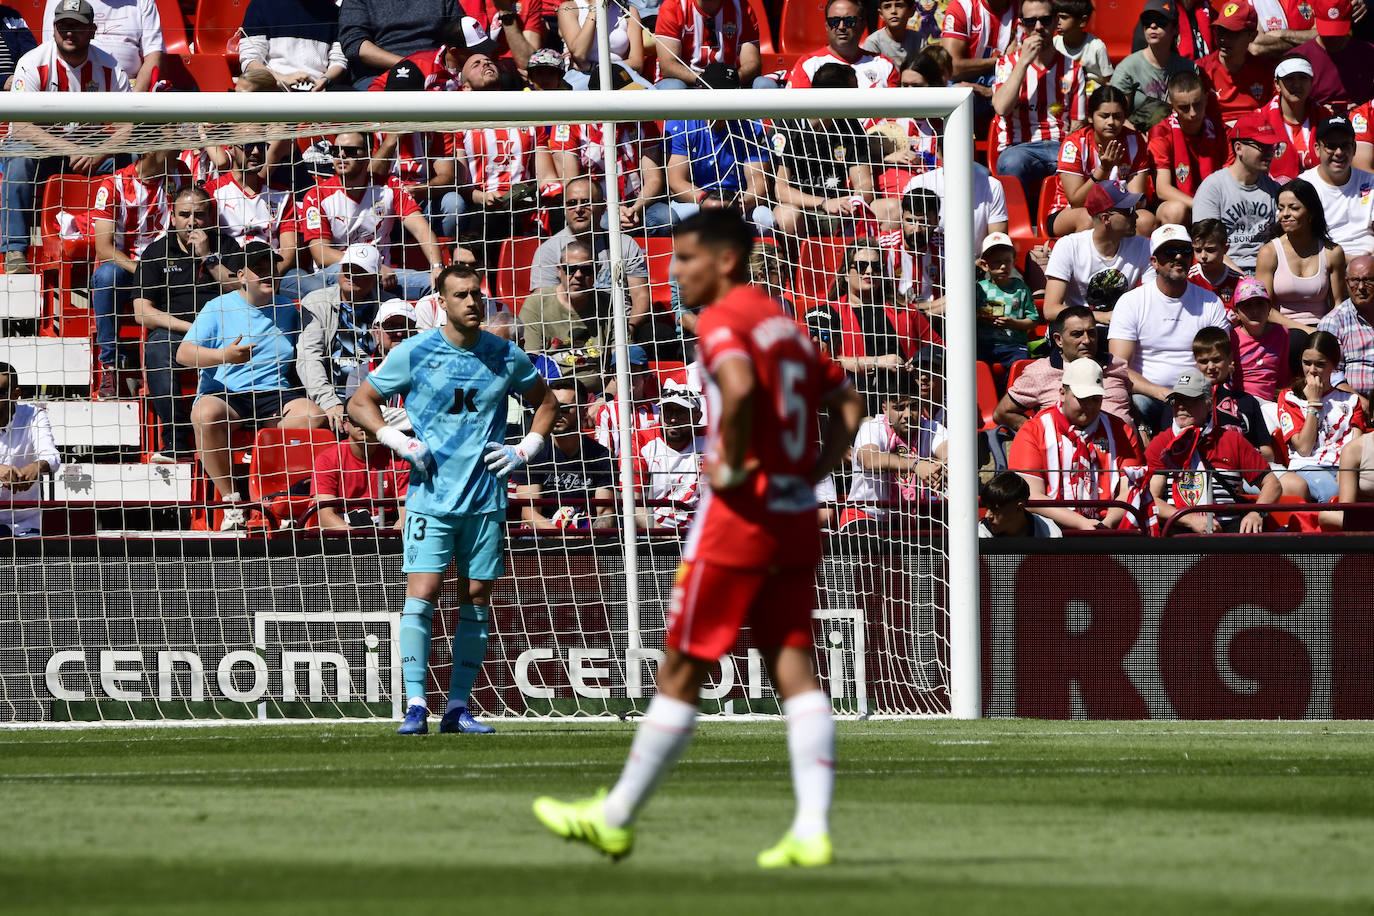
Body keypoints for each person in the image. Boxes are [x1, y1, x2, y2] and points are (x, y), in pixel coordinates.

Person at [532, 208, 865, 869]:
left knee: (683, 664)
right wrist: (812, 472)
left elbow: (736, 391)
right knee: (792, 663)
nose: (674, 271)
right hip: (796, 513)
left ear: (726, 261)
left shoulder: (724, 320)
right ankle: (810, 827)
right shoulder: (784, 326)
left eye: (686, 259)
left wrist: (737, 464)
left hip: (740, 517)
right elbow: (849, 404)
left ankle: (616, 816)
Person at [348, 261, 557, 734]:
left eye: (476, 294)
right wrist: (397, 441)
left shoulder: (504, 355)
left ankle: (458, 707)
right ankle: (417, 703)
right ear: (441, 303)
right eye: (461, 295)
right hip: (430, 498)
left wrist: (526, 448)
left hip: (486, 499)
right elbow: (359, 402)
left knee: (477, 598)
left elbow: (548, 402)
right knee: (422, 594)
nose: (471, 302)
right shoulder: (415, 352)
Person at [178, 242, 327, 530]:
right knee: (204, 415)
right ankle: (232, 502)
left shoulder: (289, 309)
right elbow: (183, 354)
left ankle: (275, 492)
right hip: (227, 393)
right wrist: (224, 356)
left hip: (274, 394)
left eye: (270, 268)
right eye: (258, 270)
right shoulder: (217, 307)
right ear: (241, 276)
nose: (268, 274)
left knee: (313, 416)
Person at [2, 0, 131, 276]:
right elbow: (22, 127)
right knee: (18, 156)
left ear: (93, 30)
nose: (69, 33)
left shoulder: (109, 67)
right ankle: (15, 250)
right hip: (44, 153)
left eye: (78, 26)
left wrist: (102, 151)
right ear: (54, 28)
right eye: (64, 26)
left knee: (132, 158)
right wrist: (70, 148)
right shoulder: (33, 63)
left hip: (92, 155)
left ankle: (134, 241)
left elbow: (128, 126)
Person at [132, 186, 238, 463]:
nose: (192, 221)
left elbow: (242, 290)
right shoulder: (155, 253)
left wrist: (208, 257)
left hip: (223, 330)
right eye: (185, 214)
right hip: (179, 332)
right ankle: (175, 441)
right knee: (157, 348)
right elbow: (142, 313)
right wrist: (188, 328)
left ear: (210, 217)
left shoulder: (226, 247)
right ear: (173, 217)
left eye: (199, 215)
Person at [288, 131, 444, 302]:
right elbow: (321, 254)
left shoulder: (389, 186)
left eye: (351, 151)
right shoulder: (317, 195)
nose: (341, 155)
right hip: (339, 274)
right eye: (335, 150)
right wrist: (371, 267)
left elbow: (422, 229)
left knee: (437, 285)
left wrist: (437, 267)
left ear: (368, 154)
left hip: (382, 276)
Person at [1108, 223, 1231, 432]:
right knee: (1137, 403)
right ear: (1154, 262)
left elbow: (1221, 361)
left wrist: (1188, 395)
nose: (1178, 257)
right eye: (1170, 251)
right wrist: (1163, 393)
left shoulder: (1210, 302)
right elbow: (1120, 368)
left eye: (1184, 250)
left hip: (1199, 396)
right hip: (1150, 398)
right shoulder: (1132, 302)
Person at [88, 148, 190, 397]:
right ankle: (111, 366)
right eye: (171, 139)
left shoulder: (180, 173)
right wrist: (143, 271)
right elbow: (103, 249)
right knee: (106, 277)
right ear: (152, 148)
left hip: (167, 265)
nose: (178, 146)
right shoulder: (112, 184)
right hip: (127, 268)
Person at [1007, 357, 1151, 531]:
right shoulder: (1034, 430)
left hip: (1110, 528)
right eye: (1082, 398)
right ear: (1062, 393)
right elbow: (1030, 496)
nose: (1089, 406)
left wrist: (1106, 524)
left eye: (1096, 399)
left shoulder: (1121, 430)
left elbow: (1131, 489)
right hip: (1049, 531)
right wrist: (1080, 523)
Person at [1146, 368, 1281, 533]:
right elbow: (1151, 498)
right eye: (1176, 400)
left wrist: (1256, 513)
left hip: (1228, 531)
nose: (1180, 406)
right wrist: (1189, 519)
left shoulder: (1232, 440)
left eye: (1189, 400)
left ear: (1208, 404)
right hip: (1179, 529)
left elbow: (1272, 484)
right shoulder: (1161, 443)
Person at [527, 178, 653, 338]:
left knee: (659, 333)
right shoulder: (549, 251)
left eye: (586, 202)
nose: (578, 209)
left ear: (602, 206)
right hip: (570, 330)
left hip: (622, 324)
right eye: (572, 203)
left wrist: (628, 330)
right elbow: (544, 305)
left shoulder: (624, 244)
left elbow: (641, 296)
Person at [826, 237, 940, 410]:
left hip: (908, 405)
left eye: (876, 266)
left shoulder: (904, 310)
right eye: (862, 266)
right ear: (846, 274)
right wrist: (876, 361)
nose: (870, 271)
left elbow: (938, 347)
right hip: (857, 405)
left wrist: (918, 363)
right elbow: (824, 362)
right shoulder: (830, 312)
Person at [770, 63, 881, 239]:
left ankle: (865, 263)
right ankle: (791, 267)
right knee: (786, 215)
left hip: (841, 210)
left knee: (889, 209)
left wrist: (852, 203)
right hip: (802, 210)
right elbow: (781, 190)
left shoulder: (851, 127)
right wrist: (823, 203)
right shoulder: (787, 125)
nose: (858, 97)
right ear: (834, 95)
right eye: (853, 92)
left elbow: (865, 186)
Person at [990, 0, 1087, 201]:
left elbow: (1078, 125)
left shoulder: (1072, 68)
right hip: (1017, 147)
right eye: (1030, 21)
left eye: (1045, 20)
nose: (1038, 27)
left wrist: (1071, 154)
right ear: (1021, 25)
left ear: (1055, 23)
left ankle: (1061, 221)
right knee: (1011, 163)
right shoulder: (1007, 64)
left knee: (1078, 162)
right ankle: (1016, 227)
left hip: (1058, 145)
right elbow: (1001, 107)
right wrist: (1024, 62)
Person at [663, 64, 774, 231]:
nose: (725, 100)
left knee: (765, 220)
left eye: (729, 94)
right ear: (701, 91)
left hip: (738, 202)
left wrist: (739, 204)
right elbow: (676, 183)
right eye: (719, 93)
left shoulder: (751, 126)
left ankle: (757, 257)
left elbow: (759, 183)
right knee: (683, 218)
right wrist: (708, 202)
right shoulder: (681, 123)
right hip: (694, 200)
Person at [296, 243, 386, 435]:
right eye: (347, 268)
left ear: (375, 277)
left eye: (360, 270)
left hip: (377, 402)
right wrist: (329, 402)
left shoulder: (388, 308)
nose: (351, 275)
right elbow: (308, 358)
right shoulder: (316, 303)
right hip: (328, 402)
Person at [995, 304, 1135, 427]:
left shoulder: (1114, 364)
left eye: (1091, 333)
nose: (1086, 340)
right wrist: (1039, 434)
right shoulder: (1040, 372)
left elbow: (1128, 403)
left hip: (1124, 450)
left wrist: (1141, 427)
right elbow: (1002, 413)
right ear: (1058, 340)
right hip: (1069, 454)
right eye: (1077, 334)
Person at [845, 371, 947, 528]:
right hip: (866, 517)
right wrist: (916, 464)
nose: (907, 414)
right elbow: (870, 460)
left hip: (913, 519)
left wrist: (944, 467)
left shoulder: (931, 427)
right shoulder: (871, 428)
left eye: (913, 406)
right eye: (899, 408)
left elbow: (949, 452)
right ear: (885, 409)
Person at [1048, 86, 1154, 236]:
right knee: (1090, 220)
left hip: (1120, 210)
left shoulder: (1135, 141)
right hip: (1068, 211)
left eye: (1117, 116)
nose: (1111, 122)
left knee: (1146, 220)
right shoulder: (1074, 144)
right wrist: (1104, 169)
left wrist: (1113, 213)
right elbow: (1076, 201)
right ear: (1090, 117)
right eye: (1104, 116)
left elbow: (1135, 197)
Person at [514, 377, 617, 531]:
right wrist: (563, 539)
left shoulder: (600, 456)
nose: (556, 414)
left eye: (564, 408)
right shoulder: (533, 454)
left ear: (583, 411)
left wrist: (592, 537)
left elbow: (605, 513)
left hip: (584, 535)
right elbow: (529, 514)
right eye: (553, 407)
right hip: (540, 536)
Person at [1042, 180, 1151, 324]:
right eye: (1129, 211)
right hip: (1080, 330)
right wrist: (1101, 317)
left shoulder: (1142, 245)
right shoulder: (1069, 246)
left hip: (1122, 330)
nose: (1136, 216)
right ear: (1106, 219)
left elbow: (1152, 299)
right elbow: (1050, 310)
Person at [1277, 329, 1366, 500]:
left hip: (1343, 468)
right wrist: (1314, 403)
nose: (1312, 370)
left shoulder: (1352, 400)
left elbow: (1357, 446)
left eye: (1320, 364)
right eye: (1306, 363)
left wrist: (1346, 472)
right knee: (1331, 493)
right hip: (1306, 466)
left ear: (1334, 364)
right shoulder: (1289, 397)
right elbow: (1303, 448)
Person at [1191, 112, 1281, 273]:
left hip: (1268, 269)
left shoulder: (1274, 189)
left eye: (1271, 146)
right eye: (1262, 146)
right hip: (1224, 271)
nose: (1269, 152)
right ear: (1238, 148)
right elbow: (1205, 245)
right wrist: (1243, 280)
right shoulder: (1213, 188)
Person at [520, 237, 613, 391]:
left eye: (586, 269)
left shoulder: (609, 304)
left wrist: (604, 400)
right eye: (570, 268)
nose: (578, 275)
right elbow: (531, 366)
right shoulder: (536, 305)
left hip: (599, 396)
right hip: (553, 395)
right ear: (559, 270)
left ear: (597, 270)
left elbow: (627, 362)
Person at [1255, 176, 1347, 331]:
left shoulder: (1333, 252)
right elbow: (1265, 309)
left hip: (1323, 329)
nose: (1285, 214)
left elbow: (1338, 304)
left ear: (1311, 213)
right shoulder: (1269, 253)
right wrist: (1306, 330)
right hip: (1282, 330)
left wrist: (1324, 330)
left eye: (1294, 208)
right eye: (1281, 208)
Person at [1148, 70, 1230, 227]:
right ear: (1172, 107)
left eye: (1197, 104)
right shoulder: (1161, 132)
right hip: (1178, 204)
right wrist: (1202, 206)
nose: (1193, 113)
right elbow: (1163, 189)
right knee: (1176, 211)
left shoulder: (1221, 131)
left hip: (1214, 202)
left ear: (1206, 99)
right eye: (1184, 107)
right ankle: (1178, 251)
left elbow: (1231, 179)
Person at [205, 139, 300, 274]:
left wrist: (266, 277)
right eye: (248, 145)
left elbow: (289, 251)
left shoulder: (282, 195)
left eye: (261, 146)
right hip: (231, 277)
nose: (256, 151)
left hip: (275, 274)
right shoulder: (211, 193)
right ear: (231, 147)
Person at [1111, 0, 1199, 132]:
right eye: (1147, 21)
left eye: (1161, 21)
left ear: (1175, 29)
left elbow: (1196, 112)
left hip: (1180, 137)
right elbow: (1116, 116)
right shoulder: (1127, 68)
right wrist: (1142, 140)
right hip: (1140, 139)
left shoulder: (1189, 68)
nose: (1152, 25)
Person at [311, 414, 411, 530]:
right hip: (345, 529)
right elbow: (326, 516)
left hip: (389, 526)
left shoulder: (399, 459)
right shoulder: (327, 459)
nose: (361, 424)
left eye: (367, 418)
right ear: (345, 424)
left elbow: (407, 512)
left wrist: (394, 536)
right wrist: (358, 540)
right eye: (354, 419)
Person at [1188, 325, 1275, 457]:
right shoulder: (1186, 401)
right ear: (1196, 363)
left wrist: (1242, 455)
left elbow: (1268, 452)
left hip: (1246, 469)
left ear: (1230, 358)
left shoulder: (1247, 401)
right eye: (1204, 361)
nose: (1210, 367)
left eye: (1216, 360)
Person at [41, 0, 162, 92]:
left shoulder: (143, 2)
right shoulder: (57, 2)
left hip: (128, 88)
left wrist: (134, 100)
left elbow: (154, 54)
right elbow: (52, 49)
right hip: (72, 84)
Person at [1298, 115, 1374, 258]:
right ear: (1317, 149)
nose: (1339, 152)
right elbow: (1302, 241)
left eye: (1345, 145)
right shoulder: (1303, 186)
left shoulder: (1371, 182)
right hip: (1324, 263)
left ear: (1354, 148)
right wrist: (1348, 261)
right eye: (1331, 146)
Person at [634, 382, 705, 531]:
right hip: (654, 533)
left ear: (697, 417)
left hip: (703, 531)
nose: (673, 419)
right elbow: (633, 504)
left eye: (681, 412)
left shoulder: (711, 439)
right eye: (668, 411)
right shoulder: (640, 441)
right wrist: (665, 538)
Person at [0, 363, 60, 537]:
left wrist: (37, 467)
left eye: (0, 392)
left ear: (16, 394)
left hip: (25, 524)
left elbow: (52, 456)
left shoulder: (34, 415)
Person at [653, 0, 766, 90]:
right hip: (687, 83)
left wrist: (732, 78)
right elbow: (668, 66)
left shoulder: (742, 8)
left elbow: (753, 63)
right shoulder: (674, 6)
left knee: (765, 85)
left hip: (729, 83)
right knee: (674, 87)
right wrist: (703, 79)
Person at [237, 0, 348, 91]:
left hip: (320, 90)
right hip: (274, 88)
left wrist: (325, 80)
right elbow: (250, 61)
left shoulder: (335, 12)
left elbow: (339, 61)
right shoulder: (261, 5)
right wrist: (283, 79)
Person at [788, 0, 898, 91]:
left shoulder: (884, 65)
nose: (841, 27)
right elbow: (795, 113)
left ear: (863, 25)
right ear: (827, 26)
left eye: (849, 21)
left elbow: (897, 114)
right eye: (834, 21)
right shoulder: (808, 65)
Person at [1196, 0, 1274, 125]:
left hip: (1255, 137)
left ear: (1252, 36)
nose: (1223, 39)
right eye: (1220, 30)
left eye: (1232, 33)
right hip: (1216, 138)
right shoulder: (1200, 70)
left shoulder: (1266, 71)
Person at [1254, 55, 1331, 182]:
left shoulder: (1326, 119)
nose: (1297, 85)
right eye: (1289, 79)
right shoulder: (1259, 120)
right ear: (1276, 84)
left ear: (1312, 82)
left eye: (1303, 78)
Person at [1291, 0, 1374, 110]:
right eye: (1327, 31)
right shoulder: (1297, 59)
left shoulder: (1369, 53)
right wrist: (1316, 111)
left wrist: (1364, 109)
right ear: (1315, 17)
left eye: (1338, 32)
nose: (1333, 38)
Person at [976, 232, 1038, 365]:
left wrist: (1013, 324)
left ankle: (1010, 386)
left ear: (1014, 262)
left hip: (1013, 346)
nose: (1003, 266)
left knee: (1021, 359)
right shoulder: (979, 289)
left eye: (1007, 261)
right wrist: (982, 316)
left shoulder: (1021, 289)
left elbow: (1033, 320)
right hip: (984, 345)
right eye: (997, 262)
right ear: (984, 265)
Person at [1317, 255, 1374, 400]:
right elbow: (1330, 374)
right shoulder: (1333, 322)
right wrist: (1359, 401)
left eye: (1368, 280)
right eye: (1355, 281)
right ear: (1346, 283)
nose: (1361, 287)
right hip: (1352, 404)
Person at [558, 0, 646, 90]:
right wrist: (594, 10)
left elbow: (637, 64)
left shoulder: (628, 11)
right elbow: (579, 54)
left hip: (619, 75)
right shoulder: (569, 8)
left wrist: (594, 67)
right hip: (582, 76)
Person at [1229, 276, 1289, 402]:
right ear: (1237, 313)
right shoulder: (1232, 337)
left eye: (1260, 304)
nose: (1255, 310)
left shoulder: (1281, 333)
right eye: (1247, 306)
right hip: (1240, 400)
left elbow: (1283, 373)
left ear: (1269, 309)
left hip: (1270, 401)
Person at [940, 0, 1015, 85]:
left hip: (1005, 82)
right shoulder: (962, 6)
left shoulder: (1023, 8)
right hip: (964, 83)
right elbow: (952, 69)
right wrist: (1003, 60)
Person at [978, 469, 1064, 536]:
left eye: (995, 509)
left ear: (1019, 508)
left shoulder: (1049, 531)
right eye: (987, 508)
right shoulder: (978, 535)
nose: (987, 516)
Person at [1051, 0, 1111, 92]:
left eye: (1063, 17)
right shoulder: (1054, 43)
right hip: (1064, 99)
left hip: (1091, 99)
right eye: (1056, 17)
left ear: (1082, 21)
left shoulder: (1097, 47)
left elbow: (1108, 82)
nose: (1057, 21)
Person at [1188, 219, 1243, 312]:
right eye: (1198, 250)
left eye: (1210, 250)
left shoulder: (1239, 283)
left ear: (1225, 249)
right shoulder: (1189, 280)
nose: (1203, 256)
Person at [863, 0, 925, 67]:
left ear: (911, 11)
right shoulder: (873, 43)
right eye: (887, 7)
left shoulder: (920, 39)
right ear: (881, 14)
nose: (893, 11)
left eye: (899, 6)